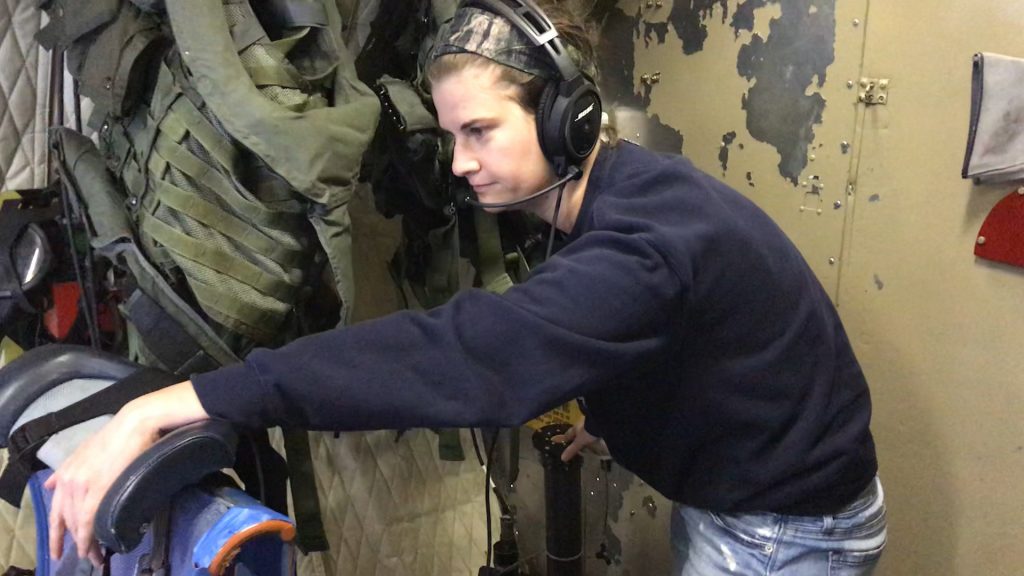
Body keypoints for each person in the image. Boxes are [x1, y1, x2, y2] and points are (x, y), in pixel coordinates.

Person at [44, 0, 887, 573]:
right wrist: (615, 418)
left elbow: (459, 355)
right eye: (451, 134)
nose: (458, 163)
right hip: (758, 494)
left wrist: (179, 402)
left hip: (781, 531)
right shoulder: (636, 189)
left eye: (481, 130)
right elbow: (679, 338)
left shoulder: (642, 249)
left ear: (570, 119)